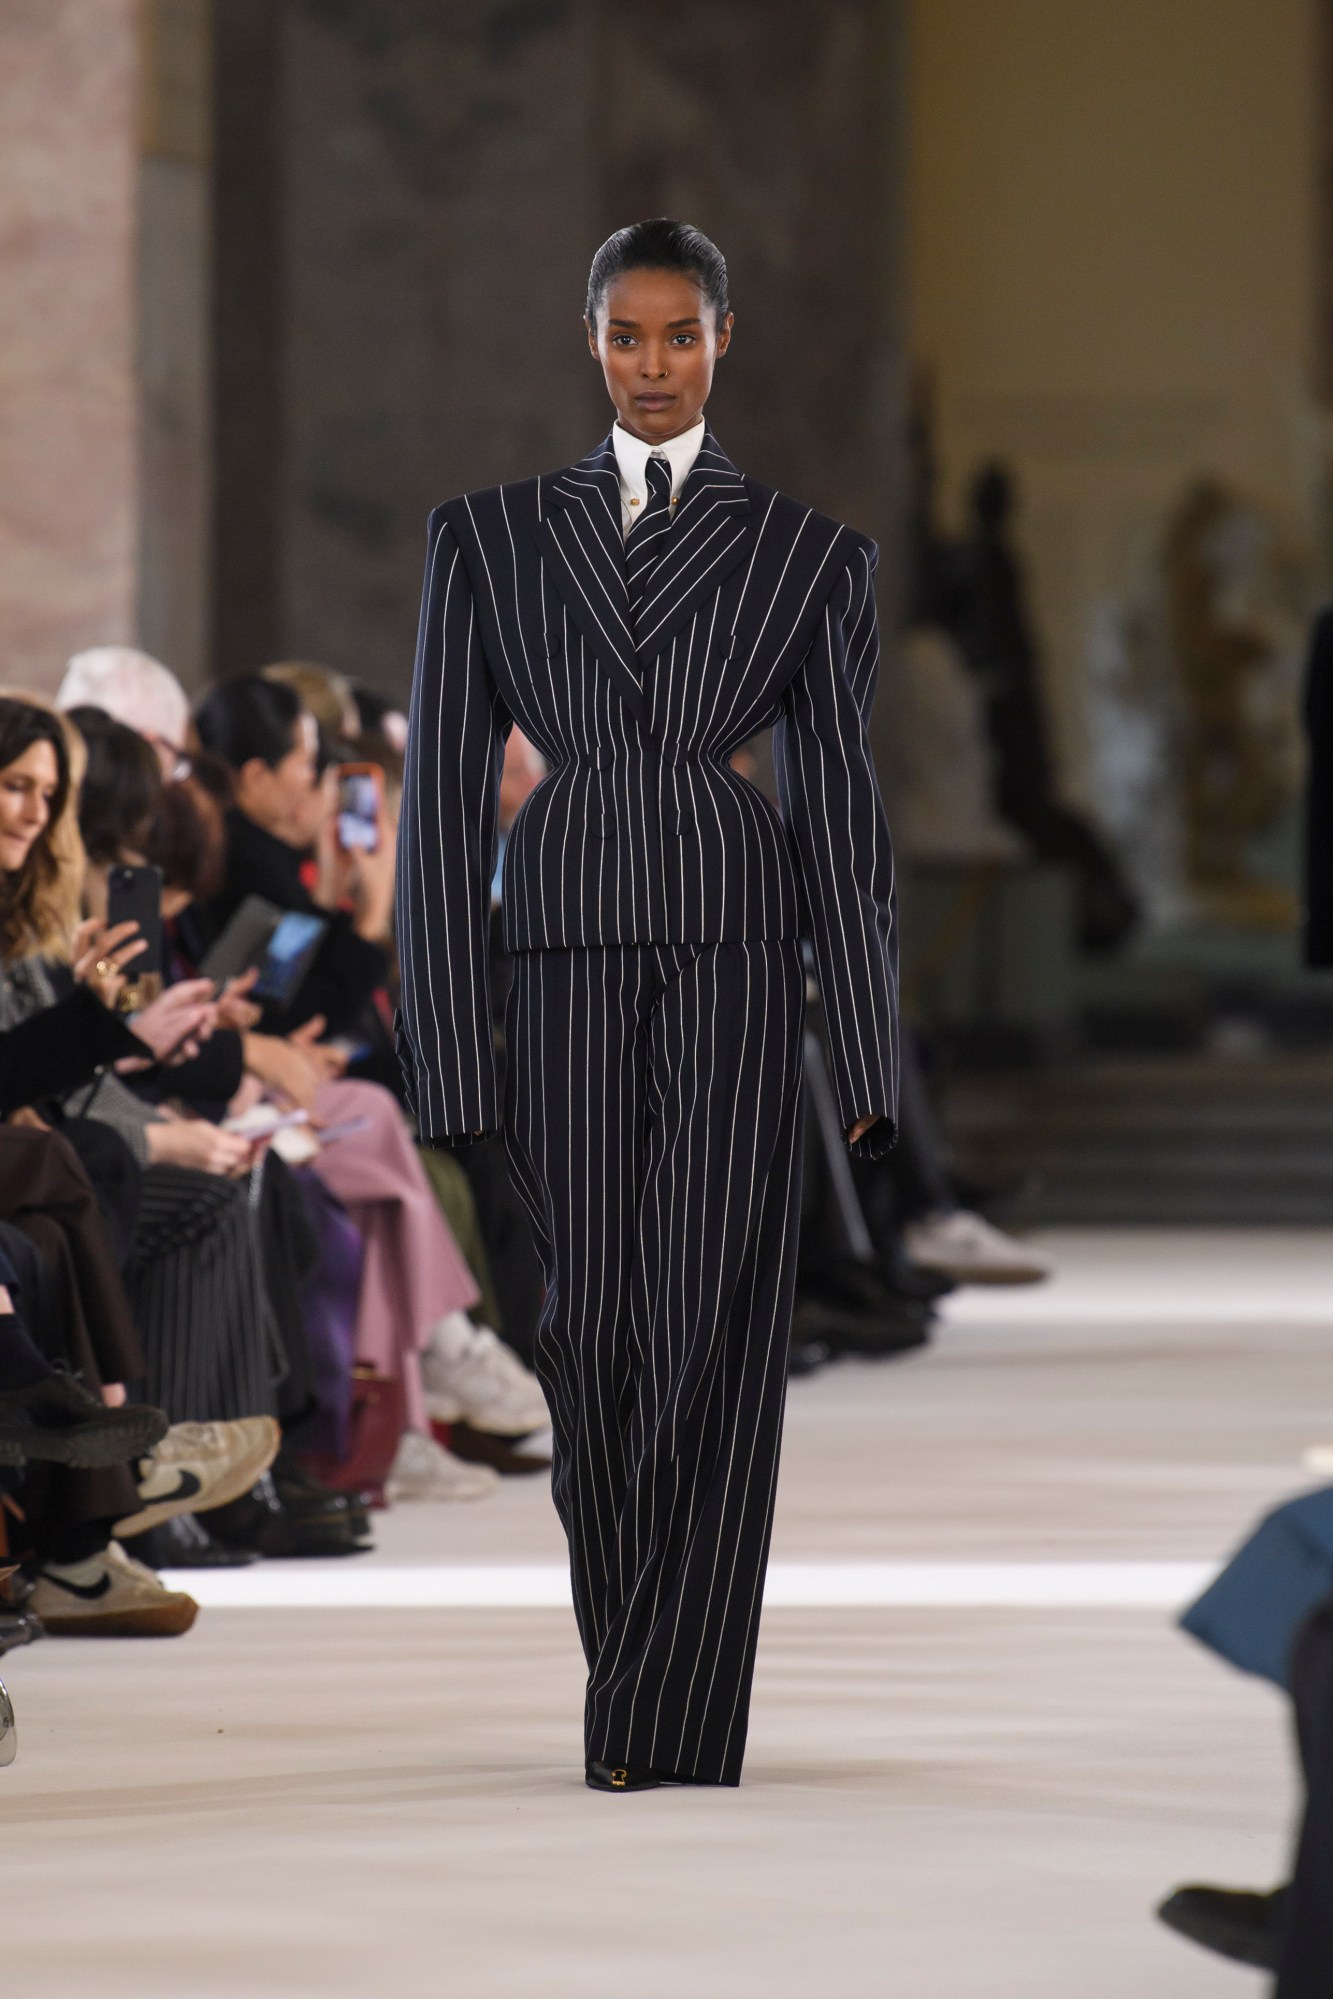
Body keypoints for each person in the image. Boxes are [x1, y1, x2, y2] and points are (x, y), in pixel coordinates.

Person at [397, 218, 899, 1791]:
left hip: (738, 954)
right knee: (586, 1323)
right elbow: (437, 821)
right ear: (591, 341)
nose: (656, 364)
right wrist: (444, 1058)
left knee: (714, 1322)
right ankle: (641, 1652)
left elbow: (844, 820)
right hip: (553, 950)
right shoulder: (486, 539)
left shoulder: (812, 558)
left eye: (682, 336)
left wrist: (868, 1046)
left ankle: (663, 1709)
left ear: (723, 339)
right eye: (629, 336)